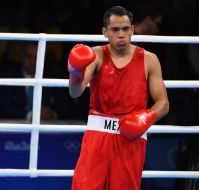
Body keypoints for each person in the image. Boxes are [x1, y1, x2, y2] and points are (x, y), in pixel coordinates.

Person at [67, 6, 169, 190]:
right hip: (98, 135)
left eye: (125, 29)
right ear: (105, 32)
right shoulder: (96, 55)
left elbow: (163, 103)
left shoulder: (149, 59)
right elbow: (75, 92)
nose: (121, 34)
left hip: (131, 137)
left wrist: (146, 117)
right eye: (115, 30)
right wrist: (75, 74)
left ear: (132, 30)